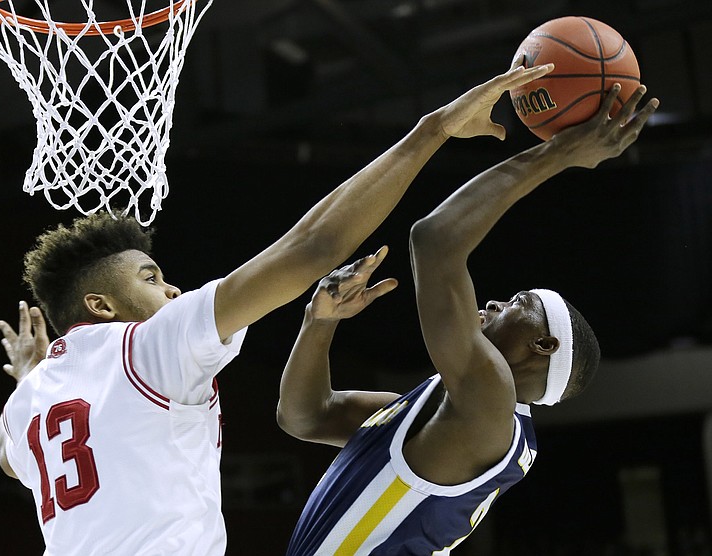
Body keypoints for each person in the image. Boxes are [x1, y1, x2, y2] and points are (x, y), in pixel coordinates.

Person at [0, 61, 554, 556]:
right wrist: (432, 130)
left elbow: (6, 455)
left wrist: (29, 376)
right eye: (151, 277)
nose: (170, 292)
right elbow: (312, 248)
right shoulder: (148, 344)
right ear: (101, 305)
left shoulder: (31, 404)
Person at [278, 84, 659, 555]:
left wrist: (558, 153)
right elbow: (305, 417)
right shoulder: (452, 410)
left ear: (544, 346)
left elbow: (434, 240)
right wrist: (320, 323)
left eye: (518, 302)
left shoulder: (491, 407)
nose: (494, 304)